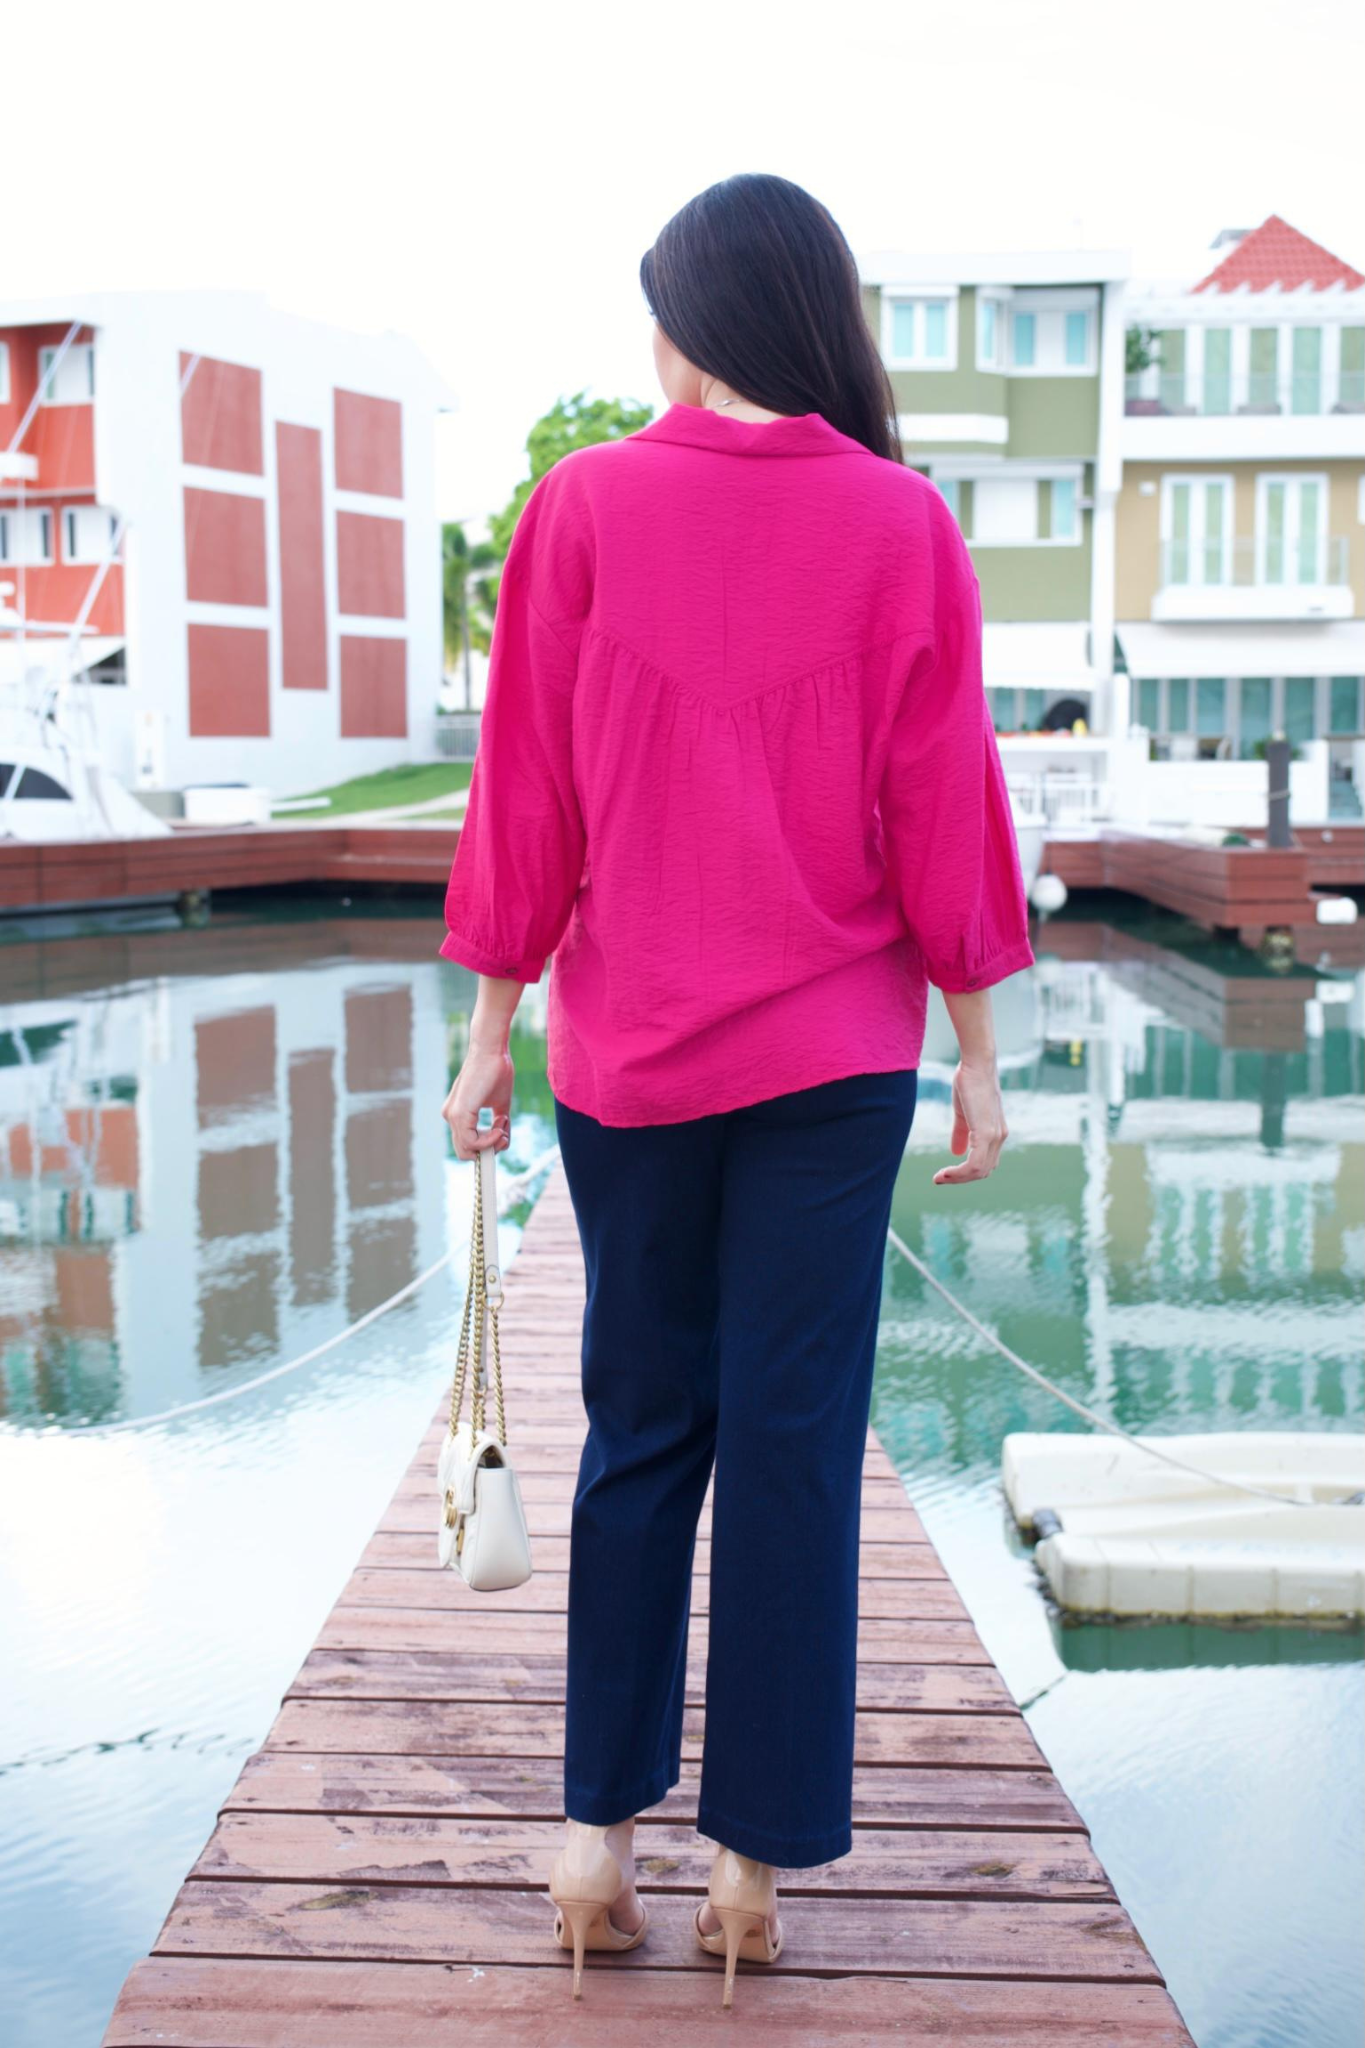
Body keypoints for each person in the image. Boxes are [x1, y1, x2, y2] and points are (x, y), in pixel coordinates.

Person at [438, 171, 1036, 2007]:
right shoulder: (904, 522)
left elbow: (525, 789)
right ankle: (754, 1869)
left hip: (630, 1060)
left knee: (641, 1431)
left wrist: (485, 1026)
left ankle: (596, 1840)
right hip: (839, 1062)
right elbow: (947, 803)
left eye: (659, 315)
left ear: (701, 322)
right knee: (794, 1451)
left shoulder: (584, 505)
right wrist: (981, 1050)